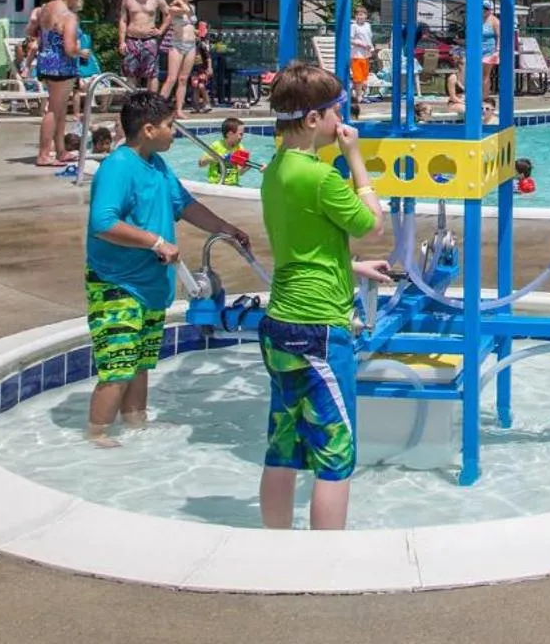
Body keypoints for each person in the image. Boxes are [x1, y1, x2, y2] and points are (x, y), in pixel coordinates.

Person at [256, 62, 394, 530]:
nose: (341, 122)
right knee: (335, 457)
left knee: (282, 446)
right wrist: (356, 159)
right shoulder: (320, 178)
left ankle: (272, 545)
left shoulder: (276, 170)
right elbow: (373, 225)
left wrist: (349, 266)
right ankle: (325, 558)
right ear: (314, 120)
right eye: (337, 112)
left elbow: (302, 245)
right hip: (318, 328)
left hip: (280, 323)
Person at [83, 90, 250, 447]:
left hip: (149, 285)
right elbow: (102, 222)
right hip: (117, 283)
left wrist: (226, 229)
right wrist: (155, 242)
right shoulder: (119, 167)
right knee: (118, 365)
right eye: (170, 126)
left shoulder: (156, 166)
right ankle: (95, 436)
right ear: (148, 129)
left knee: (141, 361)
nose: (175, 132)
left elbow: (185, 206)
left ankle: (136, 424)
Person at [25, 0, 86, 168]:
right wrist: (82, 52)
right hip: (62, 65)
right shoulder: (68, 16)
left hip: (46, 63)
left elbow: (31, 31)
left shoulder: (44, 9)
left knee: (59, 110)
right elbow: (69, 48)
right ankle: (44, 154)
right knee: (54, 109)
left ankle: (61, 151)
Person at [118, 0, 168, 88]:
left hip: (149, 39)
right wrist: (121, 42)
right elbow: (123, 20)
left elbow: (169, 14)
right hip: (132, 39)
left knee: (152, 73)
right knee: (130, 72)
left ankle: (152, 103)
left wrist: (161, 30)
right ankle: (131, 100)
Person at [155, 0, 200, 118]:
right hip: (177, 45)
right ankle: (158, 108)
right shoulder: (174, 7)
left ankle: (179, 110)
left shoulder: (193, 7)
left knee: (183, 79)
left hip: (191, 44)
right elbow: (183, 11)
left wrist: (196, 31)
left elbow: (190, 23)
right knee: (171, 78)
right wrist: (180, 1)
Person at [203, 116, 251, 186]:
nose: (242, 137)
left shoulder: (240, 148)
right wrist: (217, 158)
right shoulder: (216, 145)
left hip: (233, 184)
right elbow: (201, 163)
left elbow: (240, 172)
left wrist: (247, 167)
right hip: (216, 184)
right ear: (230, 134)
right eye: (240, 134)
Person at [349, 5, 375, 88]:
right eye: (358, 15)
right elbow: (350, 39)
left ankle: (361, 95)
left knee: (364, 77)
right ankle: (359, 97)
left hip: (366, 54)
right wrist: (361, 44)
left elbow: (369, 38)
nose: (359, 17)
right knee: (358, 77)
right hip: (357, 54)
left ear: (366, 16)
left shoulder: (368, 25)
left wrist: (371, 48)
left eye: (361, 14)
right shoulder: (353, 26)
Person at [477, 4, 500, 96]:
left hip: (490, 51)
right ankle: (479, 94)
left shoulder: (495, 21)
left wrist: (497, 50)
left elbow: (499, 36)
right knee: (478, 74)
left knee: (485, 75)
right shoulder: (478, 19)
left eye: (486, 9)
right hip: (478, 51)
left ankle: (485, 96)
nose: (484, 10)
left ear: (490, 10)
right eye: (482, 8)